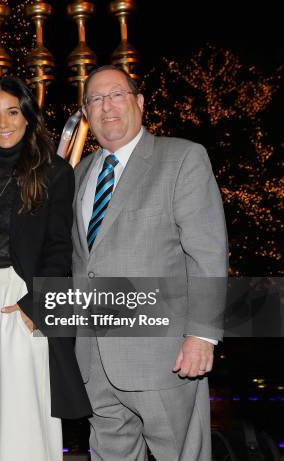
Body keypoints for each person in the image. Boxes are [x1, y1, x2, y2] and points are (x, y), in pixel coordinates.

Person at [72, 65, 228, 460]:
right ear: (86, 113)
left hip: (164, 357)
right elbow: (82, 264)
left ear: (139, 102)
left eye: (116, 95)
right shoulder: (78, 174)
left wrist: (201, 336)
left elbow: (206, 253)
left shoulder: (182, 158)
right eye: (95, 99)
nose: (106, 106)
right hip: (94, 360)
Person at [0, 75, 91, 461]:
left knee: (25, 417)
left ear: (28, 117)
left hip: (26, 302)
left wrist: (38, 304)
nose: (3, 122)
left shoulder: (55, 172)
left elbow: (63, 247)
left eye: (12, 112)